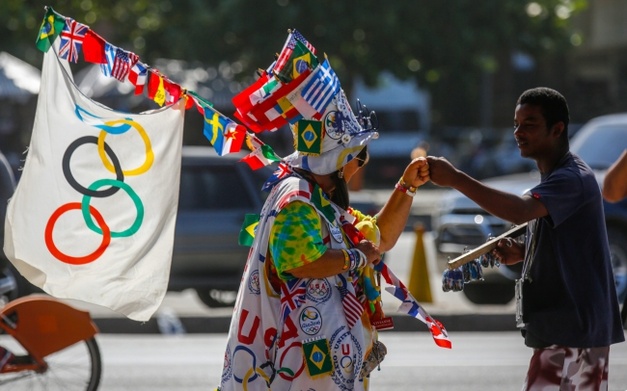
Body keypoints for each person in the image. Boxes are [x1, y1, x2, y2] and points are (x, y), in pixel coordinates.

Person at [219, 55, 429, 390]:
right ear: (332, 160)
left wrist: (406, 186)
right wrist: (357, 257)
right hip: (299, 361)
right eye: (353, 160)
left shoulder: (323, 202)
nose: (356, 168)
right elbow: (300, 263)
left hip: (325, 362)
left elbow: (380, 239)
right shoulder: (297, 199)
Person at [428, 87, 624, 390]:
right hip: (571, 328)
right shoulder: (556, 177)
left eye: (529, 124)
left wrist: (454, 178)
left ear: (557, 129)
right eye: (516, 124)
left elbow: (521, 211)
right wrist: (521, 252)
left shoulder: (570, 178)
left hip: (575, 331)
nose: (519, 132)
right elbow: (563, 242)